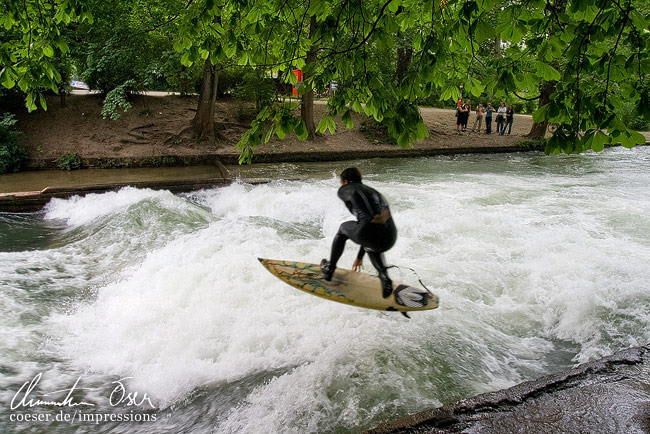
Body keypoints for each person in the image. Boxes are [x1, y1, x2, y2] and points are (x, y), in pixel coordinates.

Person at [320, 167, 397, 298]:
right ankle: (384, 277)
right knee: (371, 244)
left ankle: (330, 270)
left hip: (370, 231)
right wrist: (360, 257)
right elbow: (374, 228)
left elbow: (369, 218)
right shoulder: (375, 193)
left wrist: (370, 216)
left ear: (344, 181)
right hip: (389, 237)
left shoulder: (347, 189)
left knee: (343, 229)